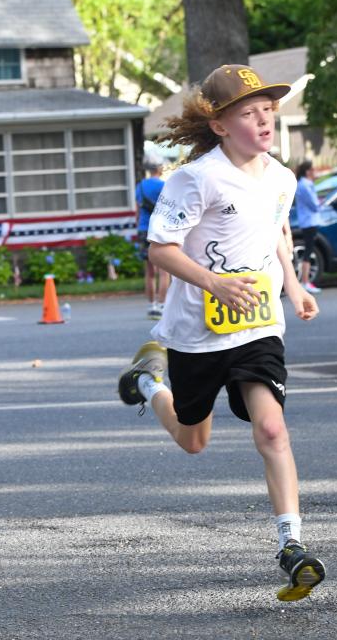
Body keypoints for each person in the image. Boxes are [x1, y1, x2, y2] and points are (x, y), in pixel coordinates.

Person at [118, 64, 325, 601]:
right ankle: (149, 382)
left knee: (273, 429)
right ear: (219, 125)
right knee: (193, 439)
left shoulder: (281, 177)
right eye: (249, 113)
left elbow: (277, 228)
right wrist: (214, 284)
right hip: (196, 332)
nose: (263, 121)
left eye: (268, 111)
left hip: (258, 326)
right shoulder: (195, 179)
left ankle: (291, 544)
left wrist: (297, 287)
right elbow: (159, 249)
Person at [135, 160, 170, 319]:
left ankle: (151, 305)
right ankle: (161, 306)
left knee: (149, 272)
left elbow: (137, 210)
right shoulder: (164, 185)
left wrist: (139, 227)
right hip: (160, 228)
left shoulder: (141, 186)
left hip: (144, 228)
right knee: (164, 272)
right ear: (160, 169)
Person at [295, 160, 322, 295]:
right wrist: (320, 202)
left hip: (307, 221)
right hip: (309, 222)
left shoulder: (303, 184)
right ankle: (305, 282)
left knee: (309, 251)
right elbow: (314, 205)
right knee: (308, 251)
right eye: (313, 170)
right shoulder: (306, 185)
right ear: (308, 172)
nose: (315, 172)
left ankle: (305, 281)